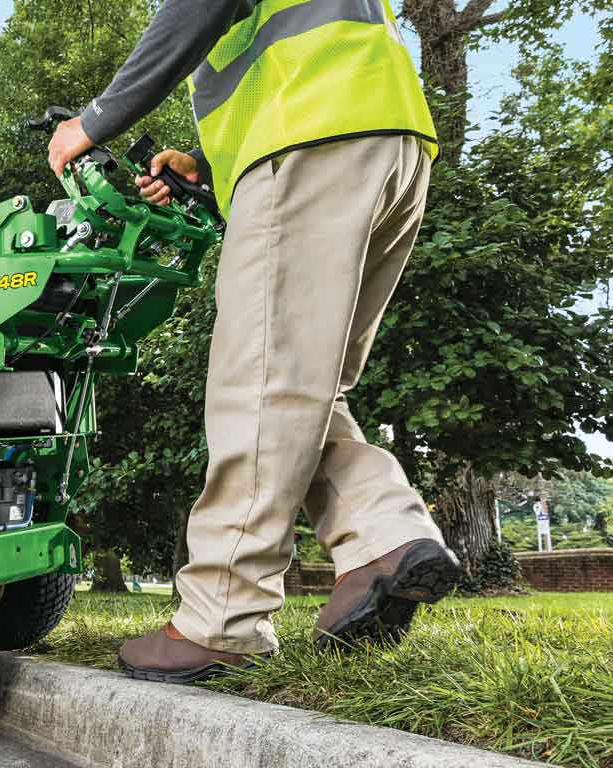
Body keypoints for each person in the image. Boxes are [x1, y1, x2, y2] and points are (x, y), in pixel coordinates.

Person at [47, 0, 461, 683]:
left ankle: (221, 619)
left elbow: (194, 11)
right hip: (388, 140)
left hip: (310, 136)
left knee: (259, 387)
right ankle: (384, 538)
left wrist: (91, 123)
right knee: (305, 389)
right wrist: (205, 174)